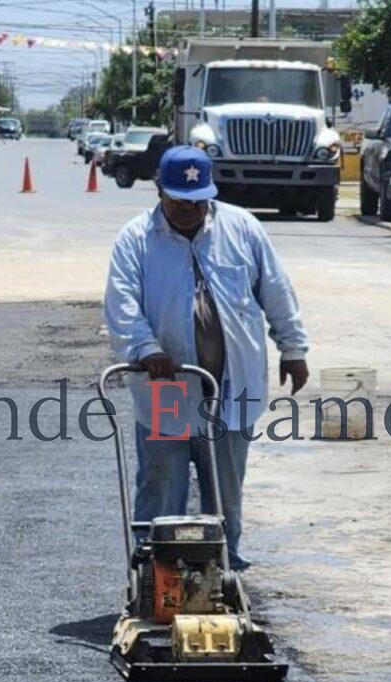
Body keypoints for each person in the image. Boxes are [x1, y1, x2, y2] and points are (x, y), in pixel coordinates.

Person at [104, 145, 309, 571]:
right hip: (168, 386)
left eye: (197, 202)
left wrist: (292, 347)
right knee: (163, 483)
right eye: (178, 201)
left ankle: (222, 568)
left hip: (230, 386)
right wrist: (146, 349)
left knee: (225, 489)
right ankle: (154, 569)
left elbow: (276, 291)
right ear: (159, 190)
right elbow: (121, 303)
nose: (188, 211)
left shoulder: (243, 229)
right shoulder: (136, 239)